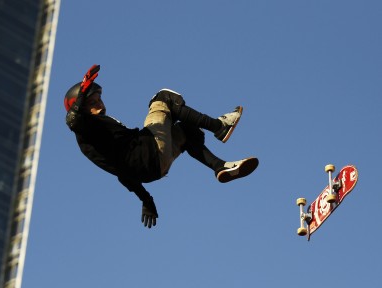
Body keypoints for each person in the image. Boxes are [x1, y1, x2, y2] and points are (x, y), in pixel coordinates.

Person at [64, 65, 259, 229]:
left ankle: (221, 167)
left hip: (154, 169)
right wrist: (82, 93)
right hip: (151, 149)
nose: (99, 104)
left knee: (188, 131)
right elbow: (73, 120)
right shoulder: (87, 130)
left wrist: (146, 200)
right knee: (163, 97)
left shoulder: (100, 142)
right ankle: (220, 126)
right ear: (81, 108)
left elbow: (122, 173)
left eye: (99, 98)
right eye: (92, 102)